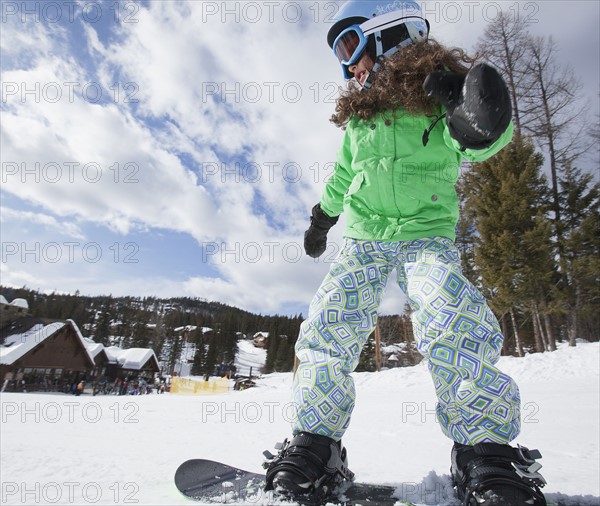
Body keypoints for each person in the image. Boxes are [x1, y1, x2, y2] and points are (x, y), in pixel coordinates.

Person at [264, 1, 547, 505]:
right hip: (365, 234)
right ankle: (315, 444)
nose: (347, 65)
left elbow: (482, 142)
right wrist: (321, 218)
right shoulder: (361, 116)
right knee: (330, 323)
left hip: (426, 231)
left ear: (388, 31)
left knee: (450, 315)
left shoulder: (440, 94)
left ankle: (485, 450)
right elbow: (343, 176)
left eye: (349, 45)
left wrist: (473, 116)